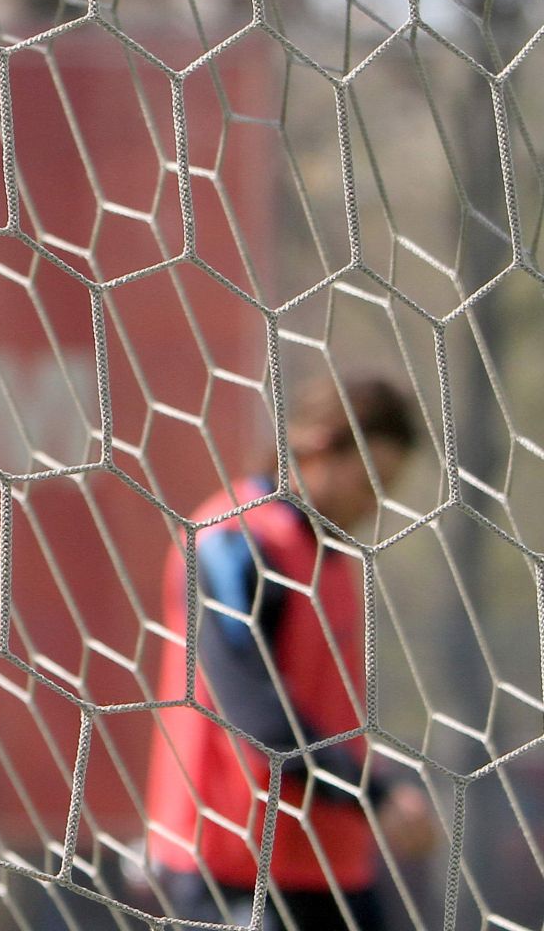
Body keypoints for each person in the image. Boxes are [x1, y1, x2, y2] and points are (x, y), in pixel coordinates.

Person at [145, 376, 440, 929]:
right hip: (233, 866)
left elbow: (327, 715)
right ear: (317, 446)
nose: (371, 504)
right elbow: (255, 713)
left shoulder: (330, 556)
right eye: (366, 481)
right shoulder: (233, 540)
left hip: (331, 864)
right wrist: (375, 795)